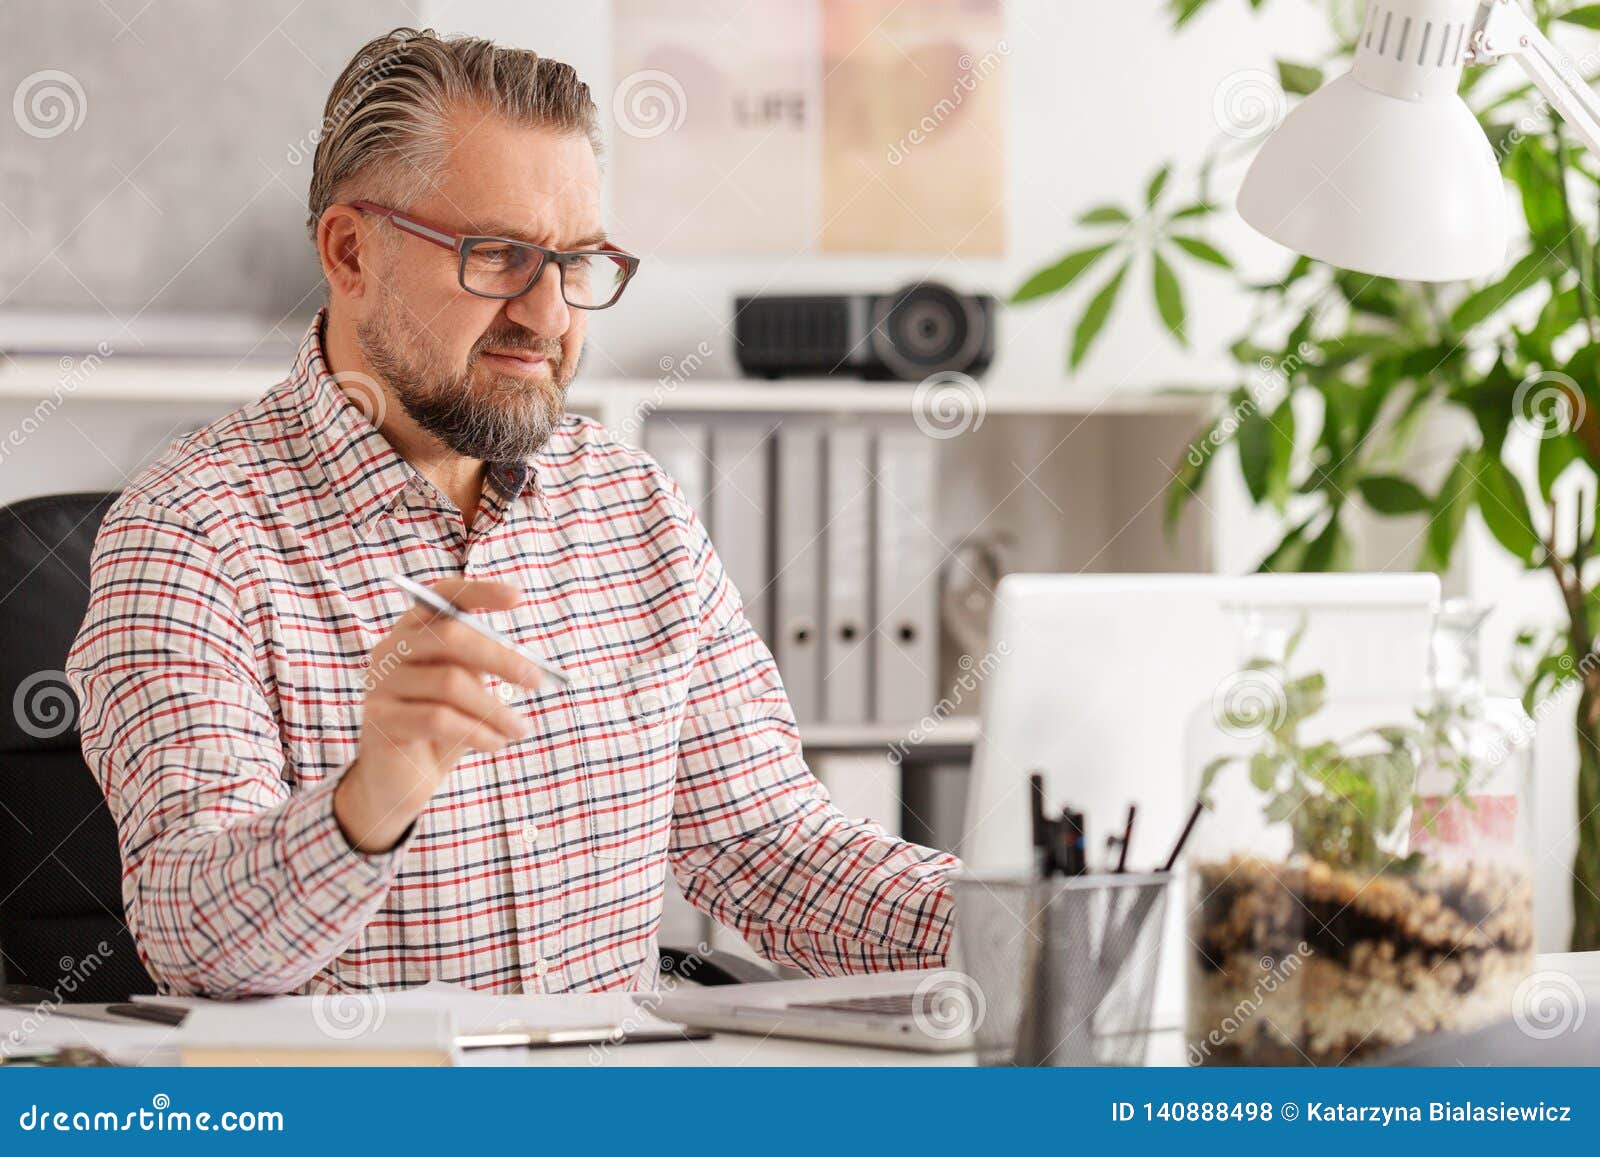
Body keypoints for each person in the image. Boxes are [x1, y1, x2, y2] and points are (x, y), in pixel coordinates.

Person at [66, 27, 958, 997]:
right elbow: (195, 945)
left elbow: (765, 845)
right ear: (350, 249)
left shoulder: (630, 504)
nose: (549, 316)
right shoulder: (192, 532)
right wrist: (372, 797)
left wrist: (1040, 921)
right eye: (496, 256)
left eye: (576, 263)